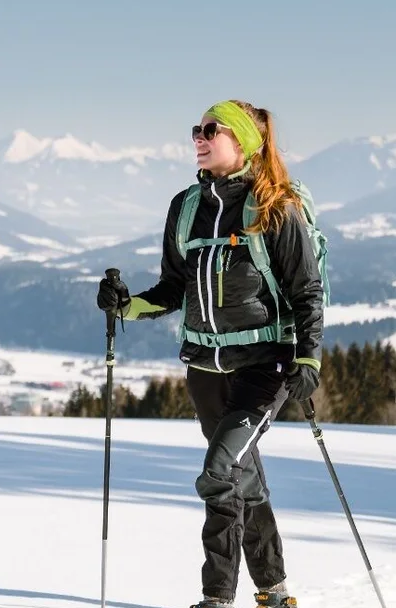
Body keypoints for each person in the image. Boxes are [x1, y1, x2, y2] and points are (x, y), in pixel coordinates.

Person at [96, 99, 325, 608]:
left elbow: (307, 289)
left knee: (219, 473)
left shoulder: (274, 206)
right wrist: (127, 305)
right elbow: (174, 288)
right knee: (242, 477)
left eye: (210, 130)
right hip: (203, 369)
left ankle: (216, 597)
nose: (198, 137)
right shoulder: (184, 208)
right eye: (195, 130)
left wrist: (308, 358)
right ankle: (274, 590)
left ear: (241, 139)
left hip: (266, 367)